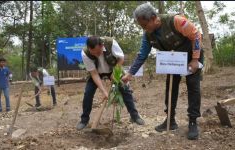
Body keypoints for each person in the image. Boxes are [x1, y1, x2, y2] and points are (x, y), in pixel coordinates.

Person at [122, 3, 204, 140]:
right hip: (174, 59)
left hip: (191, 55)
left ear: (153, 18)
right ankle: (170, 120)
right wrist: (130, 73)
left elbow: (195, 35)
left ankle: (192, 121)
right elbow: (142, 54)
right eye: (141, 26)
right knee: (171, 87)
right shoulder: (148, 35)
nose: (144, 29)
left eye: (144, 25)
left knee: (193, 86)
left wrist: (195, 59)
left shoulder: (176, 21)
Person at [76, 36, 145, 130]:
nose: (96, 55)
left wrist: (115, 72)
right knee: (88, 93)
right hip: (97, 72)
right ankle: (84, 120)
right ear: (89, 48)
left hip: (113, 69)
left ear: (102, 46)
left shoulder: (111, 43)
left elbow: (121, 58)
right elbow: (94, 73)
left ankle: (134, 116)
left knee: (124, 88)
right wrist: (104, 91)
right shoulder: (85, 53)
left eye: (98, 52)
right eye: (93, 53)